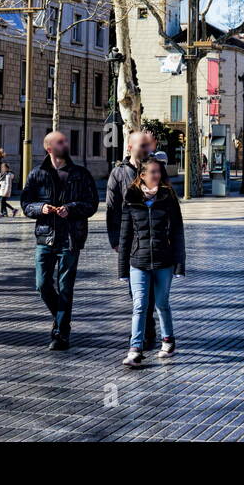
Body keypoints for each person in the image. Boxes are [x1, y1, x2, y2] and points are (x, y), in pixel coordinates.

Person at [22, 130, 99, 350]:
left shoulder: (81, 174)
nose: (66, 143)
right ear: (49, 148)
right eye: (60, 141)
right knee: (42, 284)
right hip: (45, 237)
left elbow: (91, 204)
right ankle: (62, 318)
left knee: (66, 287)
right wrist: (41, 208)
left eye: (65, 140)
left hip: (71, 239)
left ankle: (60, 333)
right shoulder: (37, 174)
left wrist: (71, 209)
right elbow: (26, 205)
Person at [118, 158, 185, 367]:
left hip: (164, 261)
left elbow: (177, 232)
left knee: (161, 304)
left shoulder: (168, 197)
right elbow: (125, 235)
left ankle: (168, 341)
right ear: (143, 175)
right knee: (139, 305)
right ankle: (135, 349)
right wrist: (122, 268)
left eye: (159, 172)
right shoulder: (131, 197)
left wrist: (179, 264)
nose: (157, 175)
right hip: (138, 261)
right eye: (153, 172)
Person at [107, 128, 160, 350]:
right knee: (137, 291)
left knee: (152, 290)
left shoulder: (155, 169)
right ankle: (146, 330)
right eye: (143, 146)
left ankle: (148, 329)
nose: (147, 149)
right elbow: (111, 209)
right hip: (130, 241)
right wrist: (115, 240)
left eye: (149, 146)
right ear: (130, 147)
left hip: (154, 239)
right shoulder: (118, 174)